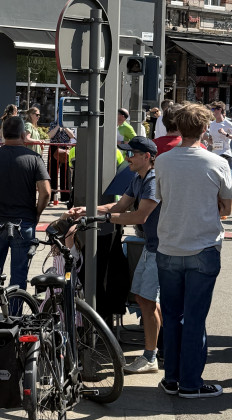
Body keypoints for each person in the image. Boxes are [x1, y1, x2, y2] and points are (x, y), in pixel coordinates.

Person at [155, 102, 232, 398]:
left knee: (172, 316)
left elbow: (162, 197)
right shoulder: (217, 163)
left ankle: (172, 378)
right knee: (195, 318)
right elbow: (226, 208)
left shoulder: (163, 161)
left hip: (169, 245)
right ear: (204, 128)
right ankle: (190, 382)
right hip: (203, 245)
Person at [78, 137, 162, 374]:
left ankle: (151, 356)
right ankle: (154, 352)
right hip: (151, 246)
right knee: (144, 299)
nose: (127, 158)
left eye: (132, 154)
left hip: (161, 247)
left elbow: (139, 216)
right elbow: (118, 207)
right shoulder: (138, 178)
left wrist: (102, 218)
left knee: (148, 301)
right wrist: (87, 211)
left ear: (147, 156)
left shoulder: (153, 180)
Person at [0, 116, 50, 290]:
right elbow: (45, 192)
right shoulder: (34, 158)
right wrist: (37, 213)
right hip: (24, 221)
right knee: (19, 275)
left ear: (3, 134)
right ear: (23, 135)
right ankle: (15, 307)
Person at [48, 117, 75, 202]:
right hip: (54, 148)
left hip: (65, 148)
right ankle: (52, 195)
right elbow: (50, 135)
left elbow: (72, 135)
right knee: (52, 172)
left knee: (65, 172)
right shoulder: (53, 124)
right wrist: (57, 126)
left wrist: (65, 127)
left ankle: (65, 197)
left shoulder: (69, 124)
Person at [207, 101, 232, 170]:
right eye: (211, 109)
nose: (212, 112)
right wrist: (206, 139)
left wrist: (225, 134)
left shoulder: (227, 123)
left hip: (225, 154)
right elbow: (211, 141)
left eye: (213, 109)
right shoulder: (212, 124)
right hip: (215, 154)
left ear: (220, 109)